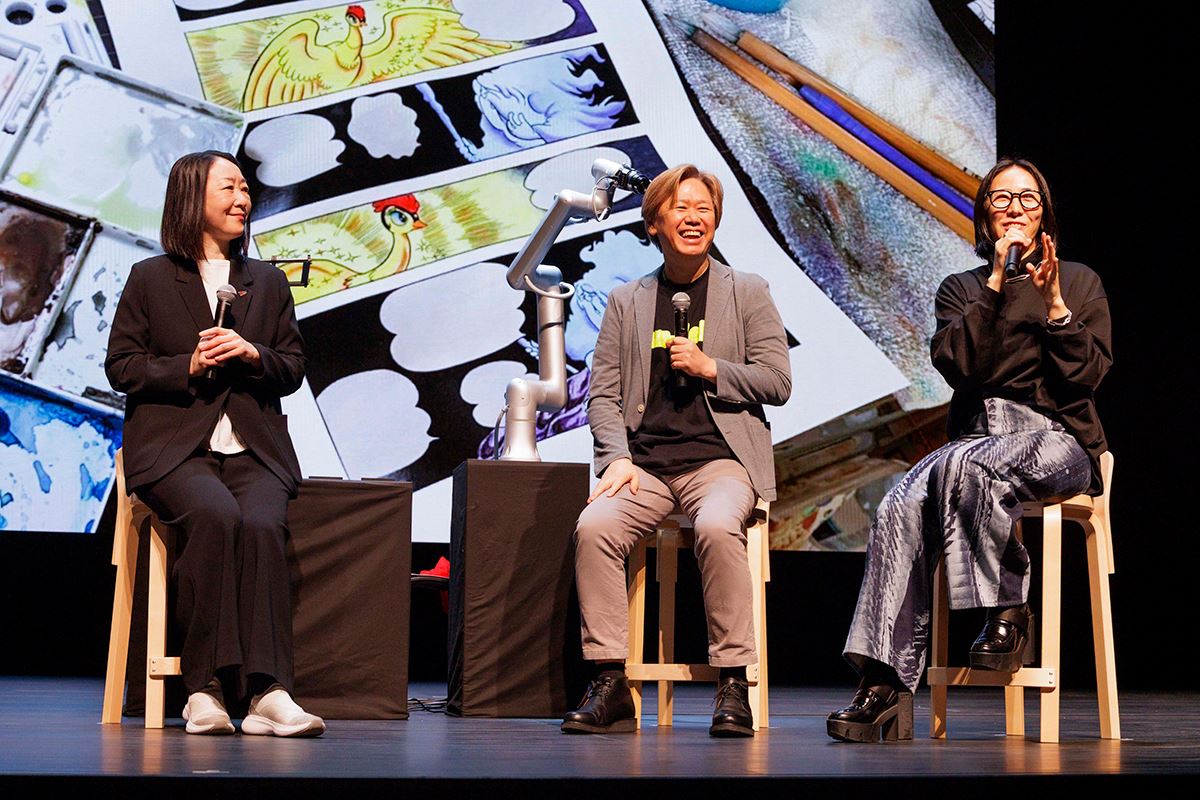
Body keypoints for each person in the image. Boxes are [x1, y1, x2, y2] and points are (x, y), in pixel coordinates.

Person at [827, 157, 1112, 743]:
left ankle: (1008, 610)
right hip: (976, 438)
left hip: (1057, 438)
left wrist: (1055, 307)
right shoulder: (962, 289)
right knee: (898, 504)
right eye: (1001, 199)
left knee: (968, 464)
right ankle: (884, 683)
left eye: (1027, 199)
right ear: (985, 216)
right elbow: (960, 366)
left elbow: (1084, 378)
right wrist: (997, 285)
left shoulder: (1078, 281)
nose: (1015, 209)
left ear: (1044, 214)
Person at [562, 164, 792, 737]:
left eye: (703, 209)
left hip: (721, 463)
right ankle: (609, 681)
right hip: (644, 467)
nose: (694, 218)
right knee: (594, 527)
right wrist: (616, 457)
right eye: (681, 208)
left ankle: (733, 683)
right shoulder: (627, 300)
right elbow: (604, 395)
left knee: (715, 526)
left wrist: (713, 369)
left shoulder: (747, 290)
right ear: (654, 224)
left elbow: (778, 382)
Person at [106, 151, 324, 737]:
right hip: (174, 450)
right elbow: (122, 367)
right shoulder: (151, 278)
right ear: (191, 198)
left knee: (260, 523)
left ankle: (269, 692)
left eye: (245, 188)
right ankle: (203, 689)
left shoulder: (268, 282)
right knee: (215, 515)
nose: (242, 199)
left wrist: (253, 355)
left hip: (253, 449)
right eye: (228, 187)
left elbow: (292, 368)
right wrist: (189, 364)